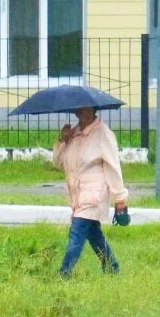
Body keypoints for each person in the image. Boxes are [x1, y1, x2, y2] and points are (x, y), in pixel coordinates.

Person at [52, 106, 128, 278]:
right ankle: (112, 267)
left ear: (92, 109)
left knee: (77, 232)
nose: (78, 111)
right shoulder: (74, 134)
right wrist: (63, 140)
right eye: (76, 109)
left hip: (94, 193)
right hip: (77, 194)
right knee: (93, 234)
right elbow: (58, 163)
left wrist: (120, 197)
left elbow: (113, 166)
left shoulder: (103, 134)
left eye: (82, 108)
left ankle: (65, 272)